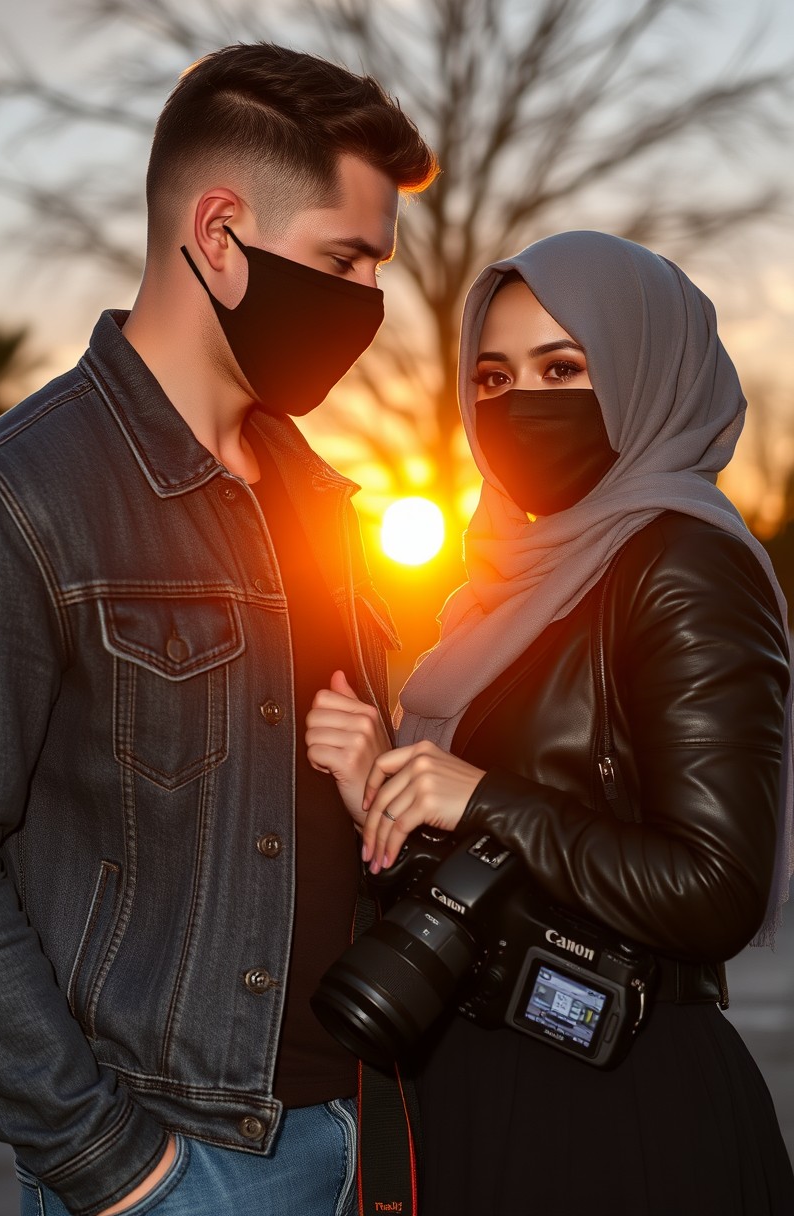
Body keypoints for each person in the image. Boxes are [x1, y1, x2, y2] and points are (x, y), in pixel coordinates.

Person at [0, 42, 436, 1216]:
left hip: (365, 1139)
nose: (368, 305)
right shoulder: (18, 494)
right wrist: (111, 1167)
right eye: (344, 260)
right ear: (220, 235)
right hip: (181, 1165)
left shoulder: (322, 499)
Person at [307, 230, 794, 1215]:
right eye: (490, 377)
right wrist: (383, 792)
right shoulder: (505, 589)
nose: (517, 403)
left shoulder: (683, 567)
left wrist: (481, 795)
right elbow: (498, 867)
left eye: (561, 367)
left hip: (615, 1109)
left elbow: (714, 887)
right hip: (485, 1087)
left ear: (643, 371)